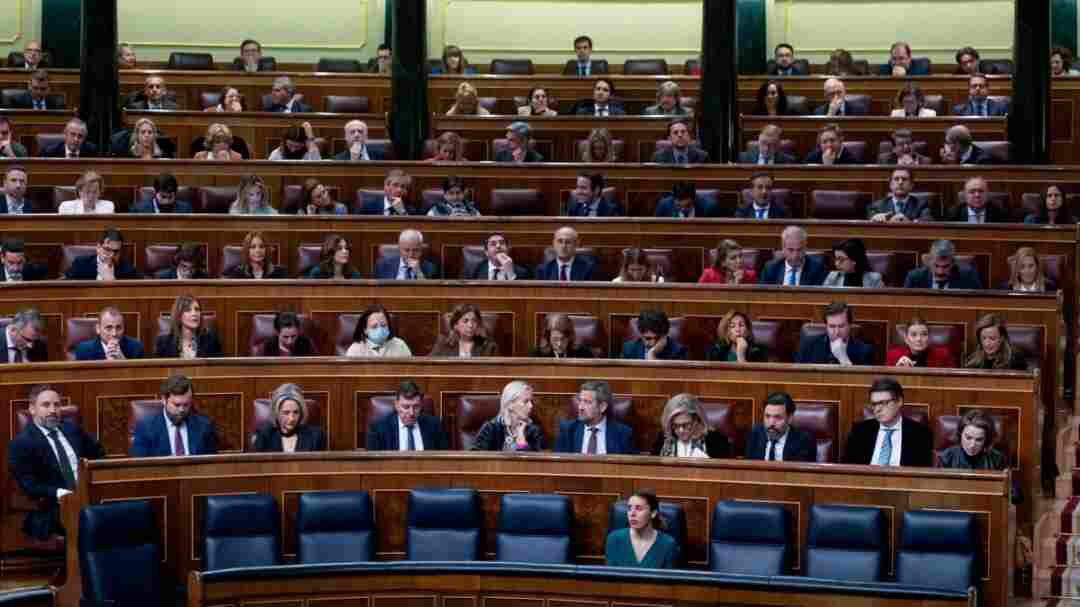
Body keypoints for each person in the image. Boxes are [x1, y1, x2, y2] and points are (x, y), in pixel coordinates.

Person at [8, 384, 104, 540]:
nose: (52, 410)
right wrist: (60, 493)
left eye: (57, 405)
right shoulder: (22, 444)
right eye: (46, 405)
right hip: (52, 508)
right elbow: (29, 486)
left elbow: (98, 455)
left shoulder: (72, 430)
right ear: (32, 409)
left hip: (88, 498)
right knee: (91, 523)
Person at [843, 377, 933, 467]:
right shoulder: (859, 431)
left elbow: (922, 474)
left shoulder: (920, 434)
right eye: (874, 404)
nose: (877, 409)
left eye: (883, 403)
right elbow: (846, 470)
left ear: (899, 401)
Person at [130, 374, 218, 457]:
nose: (182, 410)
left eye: (186, 404)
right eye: (177, 405)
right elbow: (139, 467)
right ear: (164, 400)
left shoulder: (204, 426)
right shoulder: (146, 428)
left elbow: (213, 465)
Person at [554, 380, 635, 454]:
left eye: (587, 402)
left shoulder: (623, 433)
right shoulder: (567, 430)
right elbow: (557, 465)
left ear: (602, 407)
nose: (580, 407)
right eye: (580, 401)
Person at [604, 490, 679, 569]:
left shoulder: (668, 544)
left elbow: (669, 579)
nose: (632, 514)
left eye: (639, 508)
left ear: (653, 513)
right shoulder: (614, 539)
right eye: (629, 508)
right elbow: (609, 578)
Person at [366, 380, 449, 450]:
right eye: (406, 407)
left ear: (421, 405)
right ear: (396, 405)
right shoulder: (378, 428)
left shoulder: (435, 425)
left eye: (416, 407)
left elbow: (445, 461)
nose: (411, 413)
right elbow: (373, 465)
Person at [469, 380, 543, 451]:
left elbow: (534, 462)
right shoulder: (490, 428)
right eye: (526, 401)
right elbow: (475, 459)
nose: (531, 406)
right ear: (510, 404)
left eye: (531, 401)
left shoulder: (533, 431)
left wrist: (521, 440)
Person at [252, 383, 326, 453]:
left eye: (296, 412)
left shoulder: (315, 436)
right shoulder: (264, 436)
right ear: (277, 413)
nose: (292, 419)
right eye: (286, 413)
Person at [744, 392, 817, 462]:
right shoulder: (754, 435)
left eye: (777, 417)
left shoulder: (804, 441)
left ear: (790, 418)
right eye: (767, 416)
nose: (771, 423)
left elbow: (802, 473)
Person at [795, 302, 874, 366]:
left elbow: (861, 383)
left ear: (850, 325)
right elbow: (797, 377)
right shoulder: (809, 345)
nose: (837, 332)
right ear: (826, 326)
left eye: (841, 326)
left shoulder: (864, 351)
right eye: (832, 326)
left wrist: (843, 358)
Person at [653, 393, 730, 458]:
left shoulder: (716, 440)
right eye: (675, 425)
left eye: (685, 425)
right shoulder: (664, 440)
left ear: (696, 420)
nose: (681, 430)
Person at [154, 294, 224, 359]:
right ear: (179, 316)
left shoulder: (211, 341)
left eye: (197, 309)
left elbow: (218, 369)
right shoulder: (164, 343)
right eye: (188, 310)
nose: (194, 314)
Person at [938, 410, 1008, 470]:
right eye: (968, 438)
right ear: (960, 434)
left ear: (986, 440)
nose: (972, 445)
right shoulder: (946, 457)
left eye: (979, 440)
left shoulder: (997, 460)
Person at [759, 226, 828, 286]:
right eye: (791, 250)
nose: (795, 255)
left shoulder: (818, 270)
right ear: (783, 248)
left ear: (805, 248)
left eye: (799, 250)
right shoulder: (771, 268)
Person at [903, 240, 983, 290]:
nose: (940, 272)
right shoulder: (914, 278)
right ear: (930, 262)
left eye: (945, 266)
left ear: (953, 263)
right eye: (936, 266)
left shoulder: (968, 277)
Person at [64, 228, 139, 280]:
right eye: (107, 249)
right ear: (98, 247)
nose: (112, 255)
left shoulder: (128, 270)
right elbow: (67, 288)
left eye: (116, 251)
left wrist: (113, 281)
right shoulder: (81, 264)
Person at [73, 306, 144, 361]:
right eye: (109, 328)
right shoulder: (84, 350)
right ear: (98, 329)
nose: (114, 333)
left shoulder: (136, 348)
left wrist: (123, 362)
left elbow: (140, 378)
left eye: (118, 328)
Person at [885, 316, 957, 368]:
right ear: (906, 339)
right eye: (914, 335)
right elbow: (887, 382)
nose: (919, 339)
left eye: (924, 334)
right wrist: (896, 369)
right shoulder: (893, 356)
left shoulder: (943, 355)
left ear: (929, 338)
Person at [430, 303, 499, 357]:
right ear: (455, 325)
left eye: (474, 321)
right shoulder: (443, 344)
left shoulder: (489, 347)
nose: (470, 325)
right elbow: (428, 365)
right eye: (465, 321)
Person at [345, 303, 412, 358]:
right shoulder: (355, 350)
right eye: (374, 326)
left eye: (383, 325)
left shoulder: (400, 345)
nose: (380, 329)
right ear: (365, 330)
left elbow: (410, 371)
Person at [867, 168, 932, 222]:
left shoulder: (921, 205)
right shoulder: (877, 206)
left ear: (911, 185)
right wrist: (875, 219)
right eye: (896, 179)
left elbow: (927, 222)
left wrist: (909, 223)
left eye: (904, 179)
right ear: (890, 185)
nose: (900, 182)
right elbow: (870, 223)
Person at [374, 229, 442, 279]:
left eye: (415, 250)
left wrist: (419, 273)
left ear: (421, 250)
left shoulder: (430, 268)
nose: (411, 254)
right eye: (406, 250)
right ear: (400, 248)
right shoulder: (382, 265)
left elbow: (431, 294)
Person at [621, 309, 687, 360]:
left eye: (658, 338)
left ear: (665, 335)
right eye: (648, 338)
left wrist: (651, 355)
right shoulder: (628, 349)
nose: (653, 343)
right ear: (641, 334)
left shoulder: (678, 352)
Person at [223, 230, 287, 279]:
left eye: (261, 247)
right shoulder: (235, 273)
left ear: (266, 250)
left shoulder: (280, 273)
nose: (258, 251)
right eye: (253, 247)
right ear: (247, 250)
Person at [655, 181, 720, 218]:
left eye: (687, 206)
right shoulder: (663, 206)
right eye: (679, 206)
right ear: (673, 198)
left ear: (694, 199)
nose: (683, 209)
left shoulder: (709, 208)